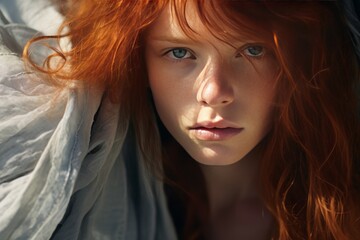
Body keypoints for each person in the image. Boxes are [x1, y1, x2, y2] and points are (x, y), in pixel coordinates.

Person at [0, 0, 359, 239]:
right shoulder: (104, 189)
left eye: (253, 50)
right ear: (137, 60)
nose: (214, 91)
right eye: (180, 52)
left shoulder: (344, 202)